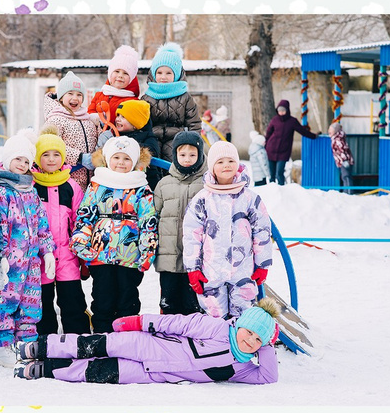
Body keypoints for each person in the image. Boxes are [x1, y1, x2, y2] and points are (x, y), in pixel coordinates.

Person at [30, 304, 282, 385]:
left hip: (154, 374)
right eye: (249, 332)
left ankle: (47, 369)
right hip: (148, 345)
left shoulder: (242, 367)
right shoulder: (217, 328)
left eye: (258, 340)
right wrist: (141, 322)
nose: (250, 340)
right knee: (95, 344)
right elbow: (177, 323)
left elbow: (269, 376)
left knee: (98, 372)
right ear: (240, 325)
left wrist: (268, 345)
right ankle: (42, 347)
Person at [0, 137, 55, 372]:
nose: (22, 164)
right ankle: (1, 347)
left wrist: (48, 252)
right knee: (3, 300)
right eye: (18, 159)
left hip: (31, 261)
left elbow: (42, 224)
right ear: (7, 160)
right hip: (9, 262)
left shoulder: (30, 191)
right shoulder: (0, 191)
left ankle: (25, 345)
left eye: (26, 161)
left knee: (30, 303)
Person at [73, 136, 158, 332]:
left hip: (130, 256)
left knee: (128, 298)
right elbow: (86, 216)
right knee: (103, 297)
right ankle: (103, 336)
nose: (121, 162)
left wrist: (147, 250)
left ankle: (127, 337)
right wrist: (81, 241)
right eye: (117, 157)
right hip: (100, 254)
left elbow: (148, 221)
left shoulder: (141, 188)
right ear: (107, 159)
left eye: (127, 159)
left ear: (135, 162)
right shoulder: (98, 185)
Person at [184, 139, 275, 322]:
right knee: (214, 317)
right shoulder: (202, 199)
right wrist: (193, 268)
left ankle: (240, 346)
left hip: (243, 271)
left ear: (238, 164)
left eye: (231, 161)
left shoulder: (250, 198)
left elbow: (262, 231)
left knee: (243, 315)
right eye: (220, 162)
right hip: (211, 271)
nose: (226, 165)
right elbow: (191, 235)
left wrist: (262, 264)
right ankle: (218, 347)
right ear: (212, 167)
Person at [29, 130, 91, 336]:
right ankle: (46, 341)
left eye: (56, 154)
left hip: (66, 256)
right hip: (39, 257)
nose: (51, 159)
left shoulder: (71, 186)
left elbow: (79, 219)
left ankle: (78, 339)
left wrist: (81, 253)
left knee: (72, 300)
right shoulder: (31, 186)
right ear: (38, 157)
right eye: (46, 154)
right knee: (42, 302)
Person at [152, 129, 209, 315]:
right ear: (175, 155)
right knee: (169, 303)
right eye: (182, 154)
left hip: (197, 260)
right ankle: (169, 338)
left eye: (192, 154)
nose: (187, 159)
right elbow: (155, 214)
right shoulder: (164, 184)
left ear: (200, 156)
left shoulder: (207, 184)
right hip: (169, 257)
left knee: (193, 304)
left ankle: (192, 339)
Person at [137, 43, 209, 179]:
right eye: (159, 72)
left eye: (168, 73)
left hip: (178, 140)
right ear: (153, 74)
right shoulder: (147, 98)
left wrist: (192, 144)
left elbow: (194, 123)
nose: (163, 77)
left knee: (175, 167)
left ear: (176, 75)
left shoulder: (185, 97)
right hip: (153, 139)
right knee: (152, 165)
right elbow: (141, 123)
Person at [38, 74, 109, 171]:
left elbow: (97, 140)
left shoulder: (87, 119)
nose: (75, 98)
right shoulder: (55, 119)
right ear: (61, 97)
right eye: (70, 93)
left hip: (90, 179)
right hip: (68, 178)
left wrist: (102, 128)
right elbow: (51, 145)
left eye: (79, 95)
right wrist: (79, 157)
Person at [261, 99, 303, 185]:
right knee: (272, 175)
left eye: (283, 110)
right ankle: (272, 192)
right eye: (279, 110)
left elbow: (302, 131)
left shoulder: (292, 121)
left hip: (283, 152)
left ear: (287, 110)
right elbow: (269, 133)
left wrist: (313, 136)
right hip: (271, 150)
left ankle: (282, 191)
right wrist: (266, 143)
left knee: (279, 173)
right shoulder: (274, 120)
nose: (281, 112)